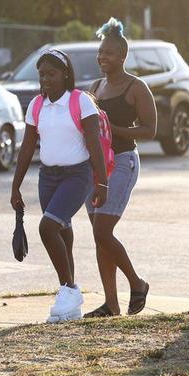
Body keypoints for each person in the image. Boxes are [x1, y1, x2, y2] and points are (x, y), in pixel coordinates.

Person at [10, 48, 108, 322]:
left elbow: (95, 145)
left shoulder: (81, 102)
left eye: (51, 74)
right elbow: (27, 149)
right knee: (63, 234)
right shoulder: (37, 105)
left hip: (77, 176)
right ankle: (71, 305)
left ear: (65, 74)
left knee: (47, 227)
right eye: (42, 75)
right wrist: (15, 187)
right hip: (48, 177)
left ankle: (69, 288)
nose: (46, 80)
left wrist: (102, 182)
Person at [84, 18, 154, 317]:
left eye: (109, 53)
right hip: (95, 167)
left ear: (122, 56)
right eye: (100, 52)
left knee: (102, 230)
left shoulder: (136, 87)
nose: (103, 57)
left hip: (123, 162)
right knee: (100, 237)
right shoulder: (95, 87)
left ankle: (137, 283)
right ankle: (111, 304)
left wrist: (114, 129)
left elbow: (150, 130)